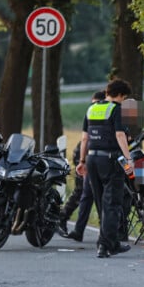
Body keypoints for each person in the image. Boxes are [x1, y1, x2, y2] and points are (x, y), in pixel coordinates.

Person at [76, 79, 134, 258]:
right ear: (120, 95)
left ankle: (109, 242)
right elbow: (119, 134)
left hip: (92, 159)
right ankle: (106, 245)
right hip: (110, 159)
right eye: (124, 98)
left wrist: (82, 161)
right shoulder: (116, 109)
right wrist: (128, 159)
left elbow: (84, 138)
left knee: (101, 202)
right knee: (112, 203)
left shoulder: (91, 109)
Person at [59, 90, 106, 242]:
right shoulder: (99, 112)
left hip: (89, 155)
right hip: (87, 154)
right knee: (84, 192)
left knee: (86, 194)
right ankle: (64, 219)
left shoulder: (95, 111)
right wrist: (82, 161)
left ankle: (72, 224)